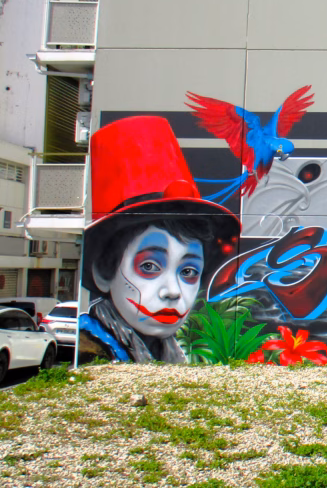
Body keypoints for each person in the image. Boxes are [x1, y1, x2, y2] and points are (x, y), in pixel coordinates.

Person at [78, 116, 240, 363]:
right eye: (149, 266)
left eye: (189, 271)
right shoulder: (92, 354)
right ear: (103, 270)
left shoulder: (170, 355)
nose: (173, 292)